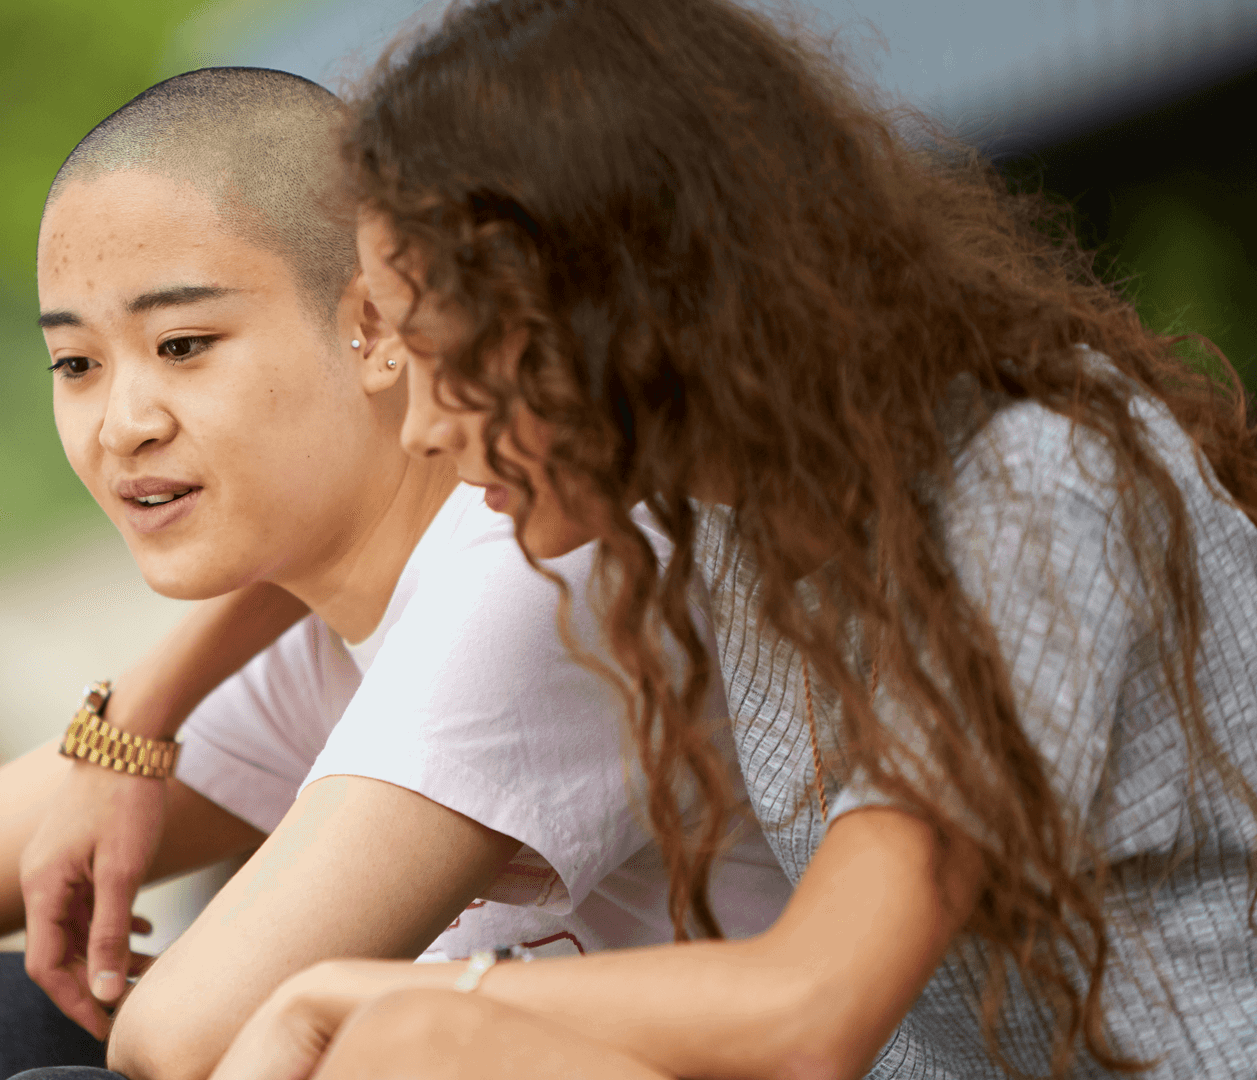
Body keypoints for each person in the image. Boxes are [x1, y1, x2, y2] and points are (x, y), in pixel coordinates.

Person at [209, 1, 1257, 1078]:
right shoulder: (722, 497)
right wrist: (141, 711)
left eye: (441, 353)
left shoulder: (1033, 485)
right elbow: (335, 515)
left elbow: (815, 1006)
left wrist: (354, 995)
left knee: (421, 1045)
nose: (421, 424)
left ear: (604, 308)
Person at [0, 67, 791, 1080]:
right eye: (77, 363)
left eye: (184, 343)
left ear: (375, 323)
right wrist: (128, 721)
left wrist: (142, 709)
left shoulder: (530, 566)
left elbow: (186, 1034)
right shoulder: (313, 620)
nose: (123, 425)